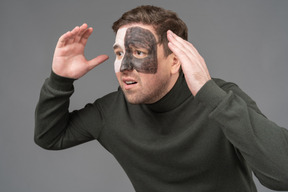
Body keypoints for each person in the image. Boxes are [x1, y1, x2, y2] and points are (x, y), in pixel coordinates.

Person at [34, 5, 288, 192]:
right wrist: (60, 80)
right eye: (120, 53)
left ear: (175, 60)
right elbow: (49, 137)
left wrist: (209, 92)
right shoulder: (109, 112)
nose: (123, 66)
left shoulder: (221, 97)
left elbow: (282, 173)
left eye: (138, 52)